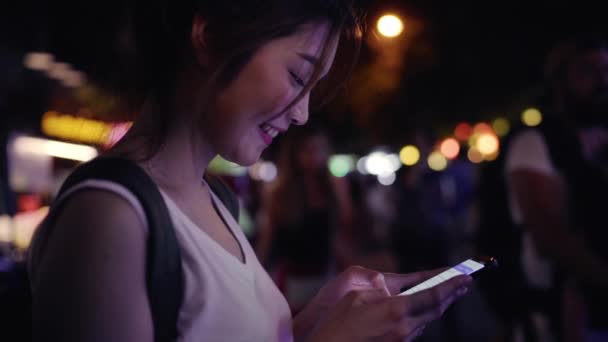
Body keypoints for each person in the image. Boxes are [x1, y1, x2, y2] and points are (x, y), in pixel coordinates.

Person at [28, 1, 473, 341]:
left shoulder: (217, 200)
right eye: (298, 78)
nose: (301, 115)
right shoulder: (110, 215)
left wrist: (312, 323)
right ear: (210, 36)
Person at [501, 34, 608, 341]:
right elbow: (550, 237)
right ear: (561, 82)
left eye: (605, 69)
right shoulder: (535, 143)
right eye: (587, 71)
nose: (602, 81)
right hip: (564, 317)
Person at [255, 125, 355, 312]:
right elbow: (267, 236)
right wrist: (255, 272)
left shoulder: (334, 186)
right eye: (308, 149)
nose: (314, 155)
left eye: (320, 148)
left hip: (327, 273)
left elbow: (343, 230)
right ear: (295, 154)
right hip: (293, 277)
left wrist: (350, 268)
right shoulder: (280, 192)